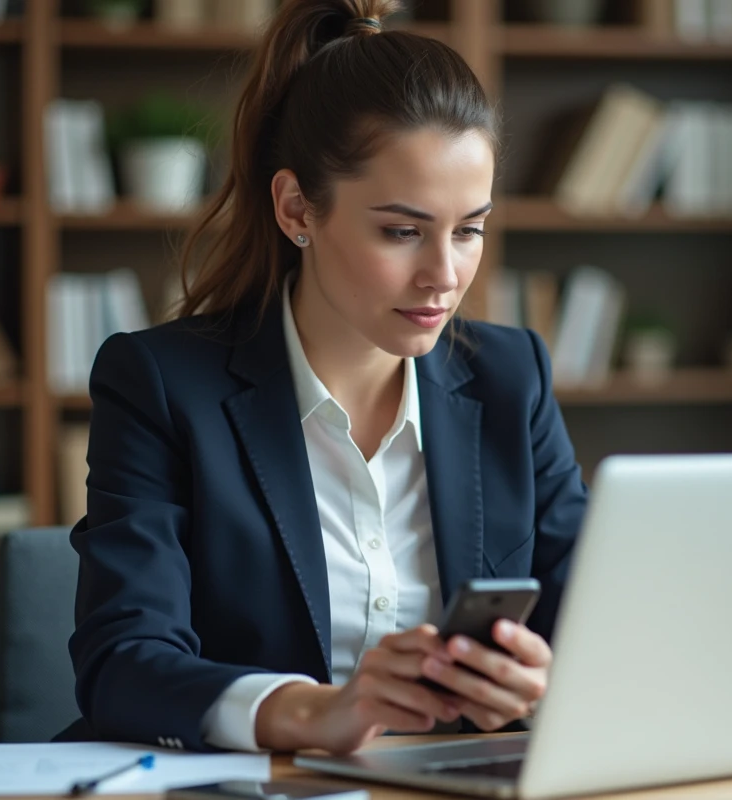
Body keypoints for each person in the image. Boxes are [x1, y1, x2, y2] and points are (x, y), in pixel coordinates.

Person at [57, 0, 587, 756]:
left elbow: (601, 619)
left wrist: (545, 681)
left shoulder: (511, 378)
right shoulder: (162, 385)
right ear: (297, 207)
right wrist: (312, 712)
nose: (444, 276)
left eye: (469, 229)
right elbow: (123, 662)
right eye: (401, 231)